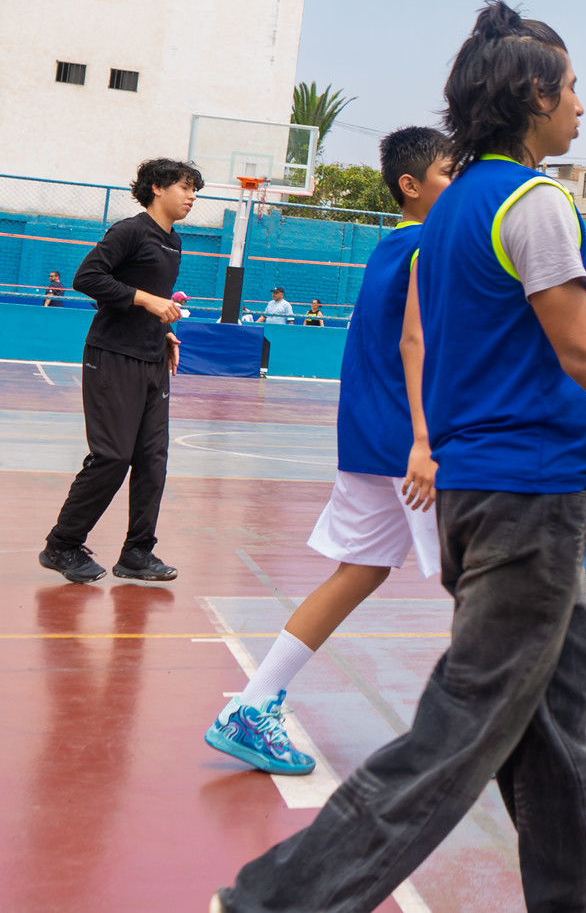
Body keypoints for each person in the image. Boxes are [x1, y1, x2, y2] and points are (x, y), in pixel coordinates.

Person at [216, 0, 586, 913]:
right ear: (533, 95)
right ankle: (274, 901)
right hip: (524, 496)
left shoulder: (454, 205)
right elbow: (583, 350)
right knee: (459, 729)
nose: (580, 104)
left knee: (564, 725)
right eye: (571, 87)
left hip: (484, 491)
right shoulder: (535, 203)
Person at [205, 127, 453, 777]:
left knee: (360, 571)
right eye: (449, 174)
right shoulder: (429, 247)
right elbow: (418, 345)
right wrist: (425, 438)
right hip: (411, 443)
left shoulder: (390, 246)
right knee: (489, 575)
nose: (459, 186)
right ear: (411, 185)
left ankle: (251, 705)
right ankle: (488, 730)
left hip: (370, 435)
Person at [38, 157, 202, 584]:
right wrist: (146, 300)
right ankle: (62, 545)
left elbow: (154, 298)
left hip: (152, 358)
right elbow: (87, 278)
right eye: (185, 187)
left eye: (194, 190)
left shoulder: (174, 241)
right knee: (113, 455)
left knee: (152, 459)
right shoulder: (129, 231)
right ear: (157, 188)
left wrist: (163, 330)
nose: (192, 197)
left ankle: (137, 553)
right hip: (112, 355)